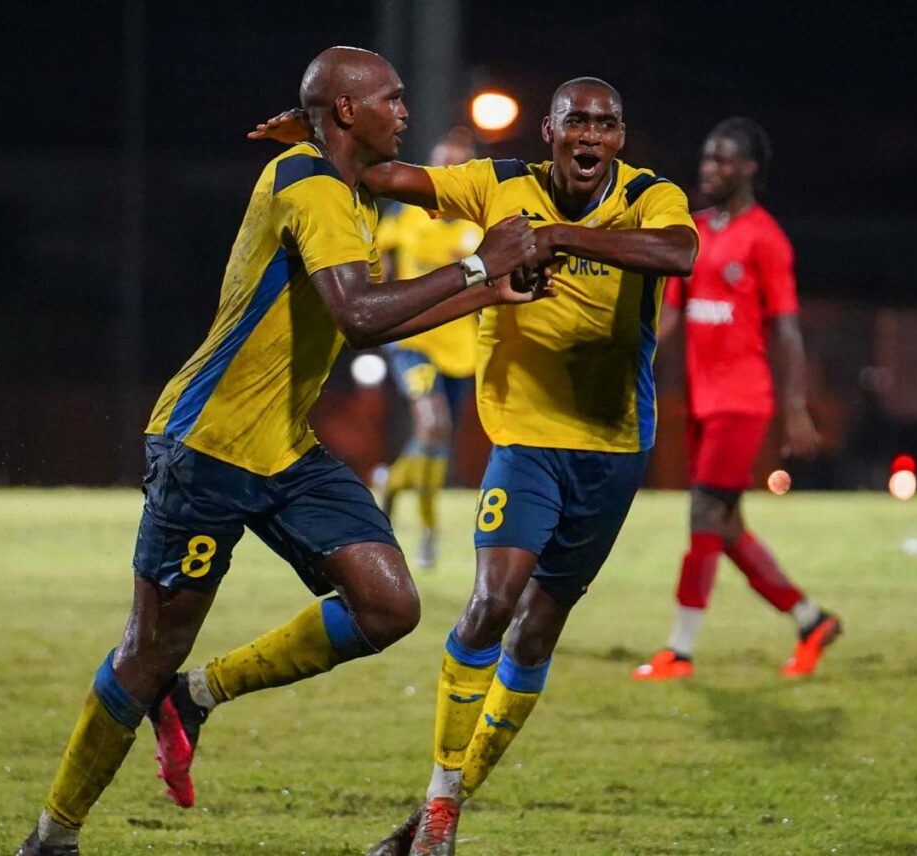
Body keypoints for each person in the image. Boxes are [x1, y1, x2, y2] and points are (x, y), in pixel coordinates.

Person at [14, 46, 549, 856]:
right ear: (345, 112)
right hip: (208, 447)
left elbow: (372, 314)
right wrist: (477, 261)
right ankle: (53, 836)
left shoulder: (345, 188)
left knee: (389, 605)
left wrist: (484, 291)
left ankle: (194, 697)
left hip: (285, 449)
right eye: (391, 100)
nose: (405, 113)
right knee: (147, 648)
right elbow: (359, 315)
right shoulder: (310, 187)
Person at [251, 75, 698, 856]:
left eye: (607, 125)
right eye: (576, 122)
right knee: (492, 603)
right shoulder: (497, 184)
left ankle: (434, 816)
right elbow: (389, 175)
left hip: (615, 448)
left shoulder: (651, 195)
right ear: (549, 134)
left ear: (621, 139)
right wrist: (329, 134)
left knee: (536, 637)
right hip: (524, 443)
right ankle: (441, 810)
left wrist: (559, 238)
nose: (591, 137)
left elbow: (680, 253)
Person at [632, 117, 840, 683]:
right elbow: (671, 313)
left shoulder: (766, 238)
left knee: (702, 514)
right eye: (705, 158)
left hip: (743, 403)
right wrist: (632, 367)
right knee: (724, 527)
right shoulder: (695, 231)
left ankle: (679, 648)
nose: (708, 168)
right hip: (701, 401)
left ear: (750, 168)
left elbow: (788, 328)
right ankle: (810, 618)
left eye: (721, 159)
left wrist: (795, 408)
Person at [375, 128, 483, 569]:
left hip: (461, 348)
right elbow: (378, 270)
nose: (448, 175)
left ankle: (392, 488)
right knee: (433, 425)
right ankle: (427, 535)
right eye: (442, 167)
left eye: (458, 168)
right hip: (412, 340)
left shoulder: (479, 227)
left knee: (435, 443)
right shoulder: (403, 215)